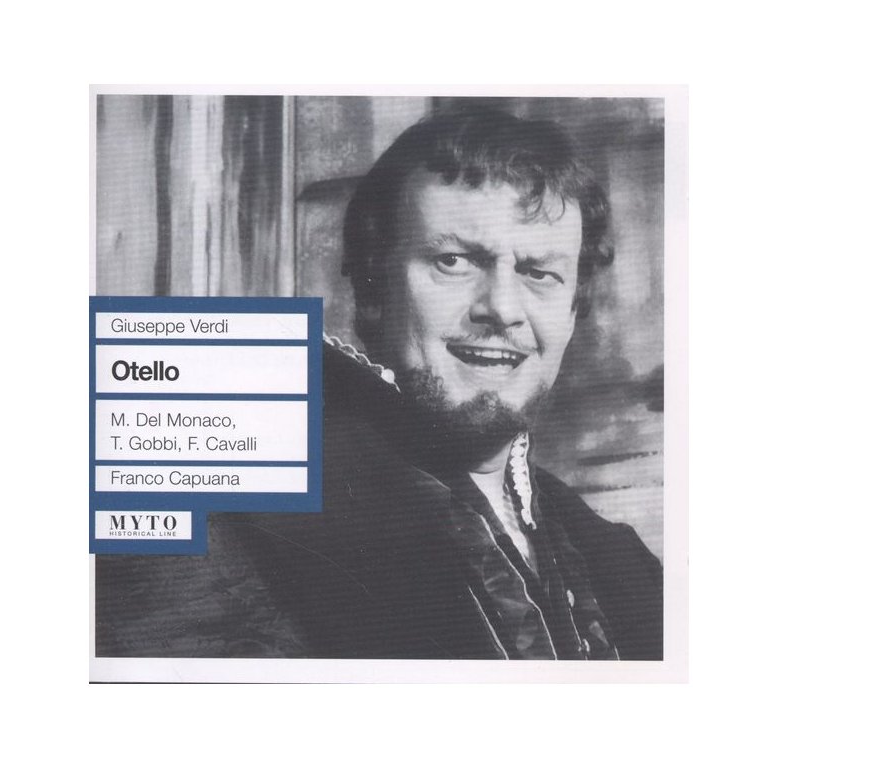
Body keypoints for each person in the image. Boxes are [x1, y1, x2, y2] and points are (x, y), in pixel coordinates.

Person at [95, 109, 662, 660]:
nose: (502, 308)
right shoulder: (228, 506)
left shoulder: (623, 568)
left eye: (539, 273)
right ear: (373, 288)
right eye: (454, 261)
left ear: (572, 311)